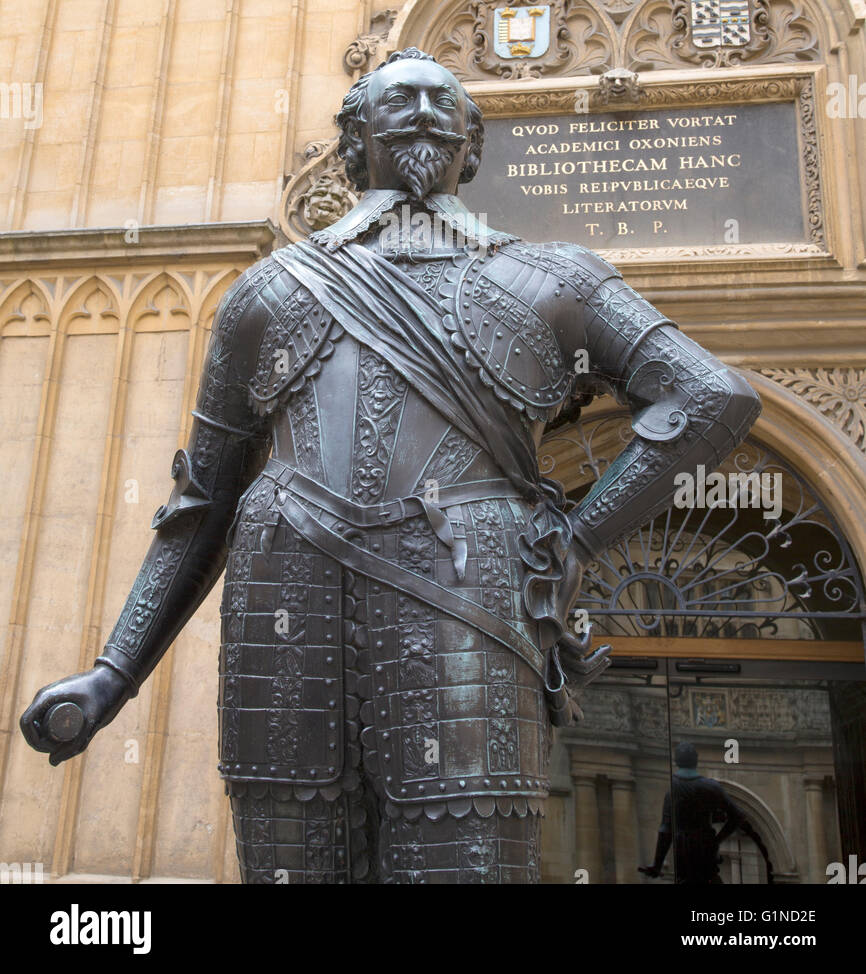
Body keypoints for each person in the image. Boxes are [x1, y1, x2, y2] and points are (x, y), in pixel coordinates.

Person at [21, 47, 760, 883]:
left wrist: (580, 538)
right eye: (398, 97)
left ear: (473, 146)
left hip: (467, 595)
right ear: (352, 140)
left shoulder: (552, 278)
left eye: (443, 100)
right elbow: (201, 503)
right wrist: (114, 673)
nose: (421, 108)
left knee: (466, 849)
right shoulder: (270, 293)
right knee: (290, 857)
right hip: (284, 603)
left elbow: (710, 398)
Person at [640, 741, 774, 884]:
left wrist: (657, 864)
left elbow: (665, 829)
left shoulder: (673, 788)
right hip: (705, 847)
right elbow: (738, 816)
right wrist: (718, 839)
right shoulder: (712, 787)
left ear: (677, 762)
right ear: (696, 760)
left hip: (683, 850)